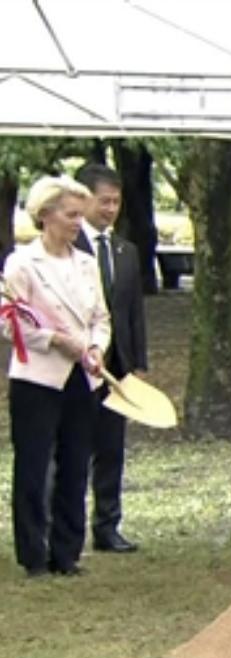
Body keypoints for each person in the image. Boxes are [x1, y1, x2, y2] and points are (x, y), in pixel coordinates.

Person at [3, 176, 110, 578]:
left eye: (80, 216)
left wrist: (96, 346)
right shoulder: (22, 263)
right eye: (70, 215)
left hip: (83, 378)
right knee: (33, 465)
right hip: (37, 379)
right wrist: (51, 340)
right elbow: (7, 321)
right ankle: (33, 554)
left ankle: (67, 551)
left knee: (76, 463)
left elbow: (101, 317)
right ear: (46, 215)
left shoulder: (86, 263)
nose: (77, 223)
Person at [72, 163, 148, 554]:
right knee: (70, 448)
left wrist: (136, 363)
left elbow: (132, 311)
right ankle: (64, 526)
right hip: (76, 364)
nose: (110, 209)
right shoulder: (69, 248)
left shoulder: (126, 252)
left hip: (115, 369)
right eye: (104, 201)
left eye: (116, 202)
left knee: (111, 450)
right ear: (84, 200)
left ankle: (107, 525)